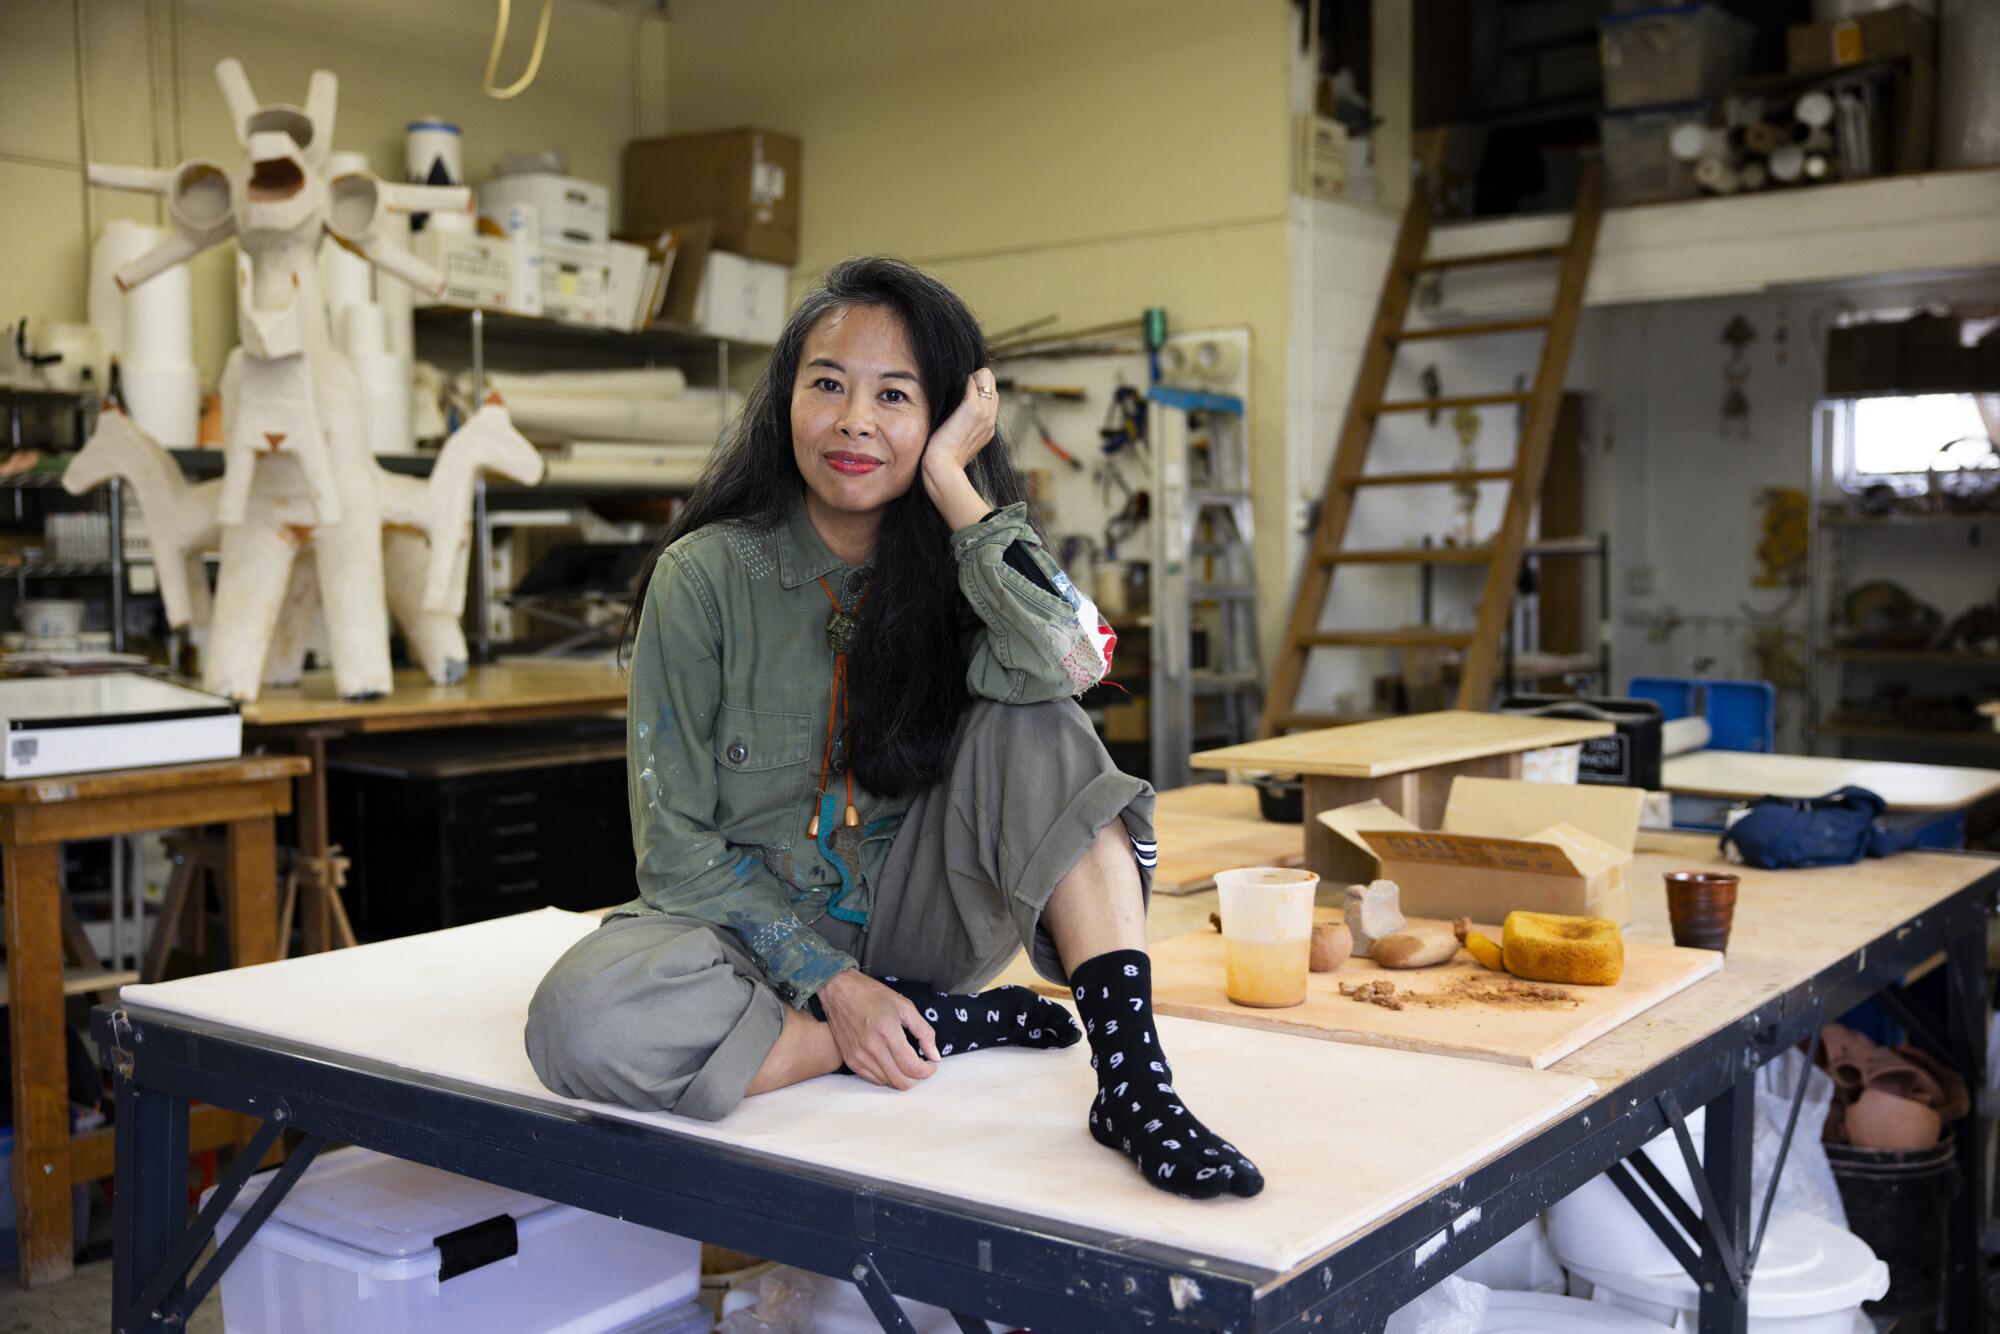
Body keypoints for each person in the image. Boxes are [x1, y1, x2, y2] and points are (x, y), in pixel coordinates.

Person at [525, 256, 1261, 1200]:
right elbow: (673, 852)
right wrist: (834, 983)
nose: (854, 421)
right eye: (826, 384)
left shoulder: (967, 562)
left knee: (1040, 724)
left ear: (947, 413)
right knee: (579, 1020)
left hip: (924, 914)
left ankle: (1132, 1085)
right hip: (751, 942)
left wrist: (957, 486)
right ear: (784, 398)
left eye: (895, 396)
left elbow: (1081, 660)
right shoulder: (703, 577)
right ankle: (916, 1028)